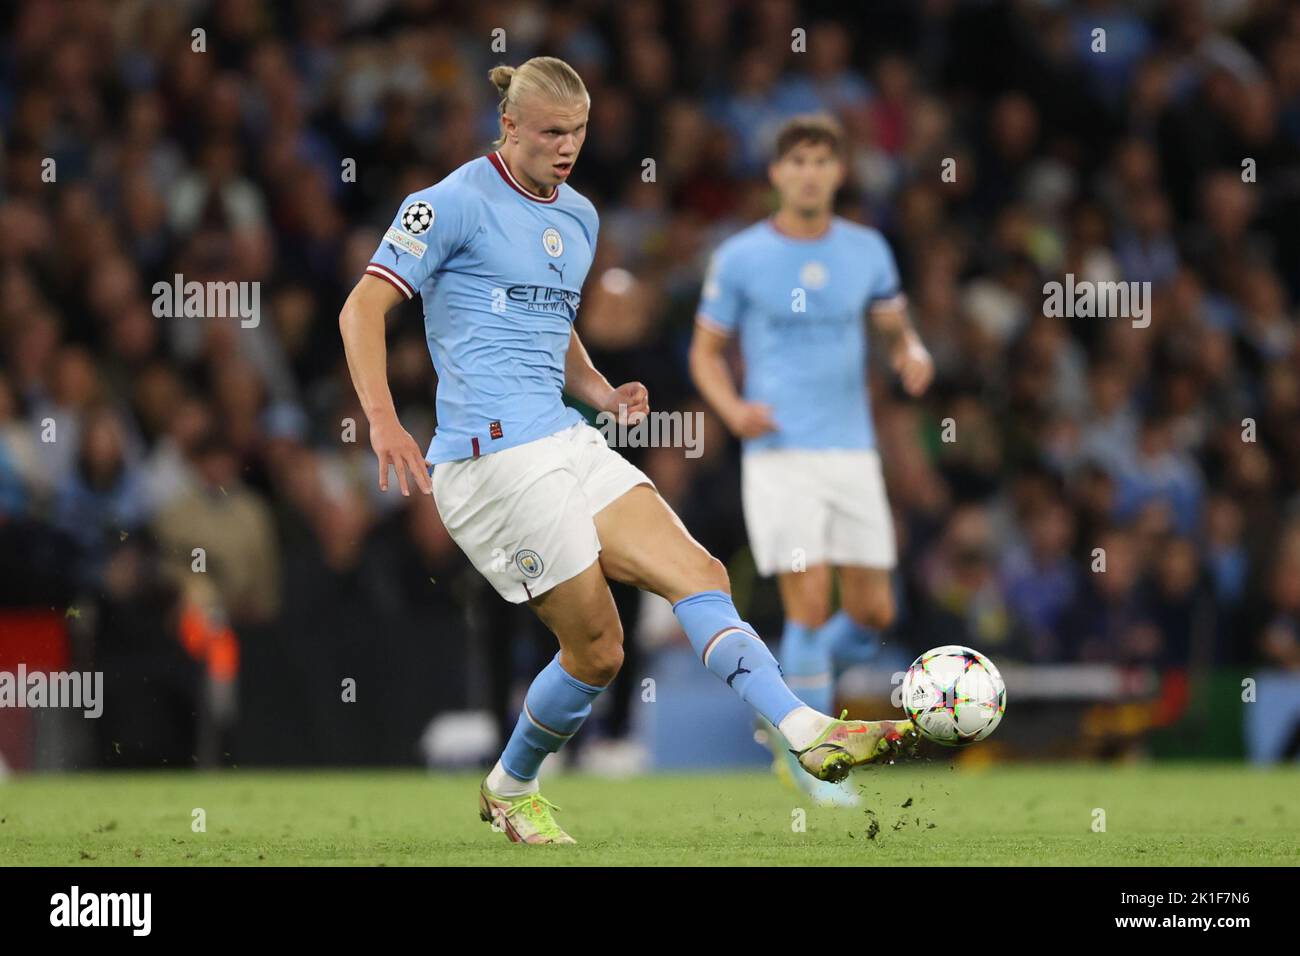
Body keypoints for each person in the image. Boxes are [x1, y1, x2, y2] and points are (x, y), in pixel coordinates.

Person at [339, 58, 914, 845]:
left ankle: (805, 729)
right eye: (549, 132)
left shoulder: (577, 217)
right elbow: (361, 306)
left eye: (577, 132)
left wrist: (601, 391)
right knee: (599, 650)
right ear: (508, 125)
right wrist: (381, 419)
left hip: (564, 435)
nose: (566, 146)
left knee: (700, 575)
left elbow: (553, 318)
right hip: (491, 460)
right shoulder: (449, 204)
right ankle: (513, 784)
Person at [690, 114, 933, 806]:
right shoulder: (741, 256)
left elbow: (893, 329)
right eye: (796, 160)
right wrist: (734, 411)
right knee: (807, 596)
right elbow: (705, 353)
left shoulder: (867, 250)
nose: (808, 172)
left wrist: (909, 353)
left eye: (822, 161)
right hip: (780, 454)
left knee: (873, 610)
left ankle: (784, 702)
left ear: (839, 172)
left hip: (852, 451)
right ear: (775, 173)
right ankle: (816, 762)